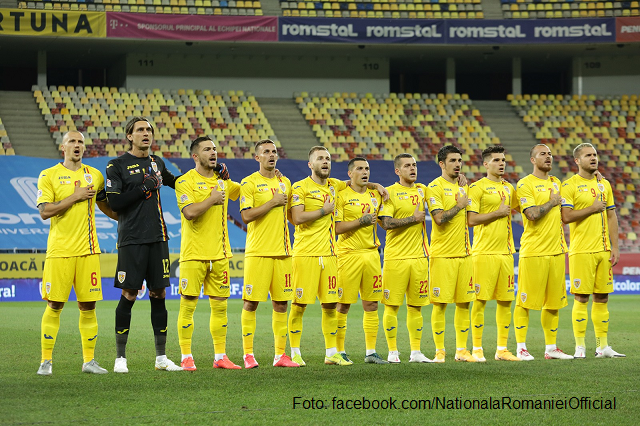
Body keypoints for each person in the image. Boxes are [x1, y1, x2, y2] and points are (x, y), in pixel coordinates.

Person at [288, 146, 387, 366]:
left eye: (328, 159)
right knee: (299, 305)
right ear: (310, 164)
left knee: (330, 305)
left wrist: (376, 185)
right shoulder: (300, 187)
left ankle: (331, 353)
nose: (325, 162)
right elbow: (296, 217)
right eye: (320, 159)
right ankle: (294, 352)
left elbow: (357, 182)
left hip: (330, 255)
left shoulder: (335, 185)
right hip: (306, 254)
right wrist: (324, 211)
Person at [106, 116, 185, 373]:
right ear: (130, 136)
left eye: (149, 129)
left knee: (159, 293)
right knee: (129, 293)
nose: (146, 133)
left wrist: (209, 171)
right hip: (131, 239)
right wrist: (144, 187)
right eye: (140, 130)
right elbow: (115, 203)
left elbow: (178, 182)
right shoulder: (116, 165)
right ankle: (120, 358)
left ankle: (161, 358)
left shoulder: (157, 162)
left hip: (158, 237)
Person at [36, 131, 117, 376]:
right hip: (59, 251)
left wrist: (123, 218)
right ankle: (46, 361)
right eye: (72, 141)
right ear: (63, 147)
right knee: (55, 304)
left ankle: (89, 361)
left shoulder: (95, 175)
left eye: (81, 142)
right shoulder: (48, 175)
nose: (77, 145)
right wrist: (76, 196)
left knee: (88, 305)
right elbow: (45, 211)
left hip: (89, 251)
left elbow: (104, 205)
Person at [175, 136, 241, 370]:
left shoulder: (222, 182)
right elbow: (190, 213)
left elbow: (241, 193)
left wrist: (228, 179)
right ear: (195, 156)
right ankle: (186, 356)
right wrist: (212, 199)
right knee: (188, 305)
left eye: (214, 149)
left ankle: (220, 356)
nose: (213, 153)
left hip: (220, 255)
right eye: (207, 149)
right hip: (193, 255)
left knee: (220, 307)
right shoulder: (185, 182)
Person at [239, 139, 299, 368]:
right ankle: (248, 355)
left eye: (274, 152)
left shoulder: (285, 182)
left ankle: (280, 356)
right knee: (251, 303)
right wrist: (273, 202)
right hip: (258, 252)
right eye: (266, 152)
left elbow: (292, 213)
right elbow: (246, 216)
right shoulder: (249, 183)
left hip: (283, 252)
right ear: (257, 157)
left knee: (281, 304)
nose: (271, 155)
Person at [561, 143, 624, 359]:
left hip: (603, 250)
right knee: (581, 298)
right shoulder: (569, 185)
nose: (593, 158)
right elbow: (566, 217)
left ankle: (602, 347)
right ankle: (580, 347)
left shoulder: (604, 184)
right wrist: (592, 208)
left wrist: (615, 247)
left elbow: (611, 216)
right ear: (577, 160)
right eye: (588, 155)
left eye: (595, 154)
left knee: (602, 298)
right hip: (581, 251)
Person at [514, 144, 573, 361]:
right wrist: (552, 202)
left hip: (557, 251)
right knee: (525, 302)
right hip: (534, 251)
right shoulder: (525, 184)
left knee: (554, 302)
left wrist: (596, 178)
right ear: (532, 159)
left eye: (549, 154)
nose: (548, 157)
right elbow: (531, 214)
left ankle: (551, 348)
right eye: (543, 154)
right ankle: (521, 347)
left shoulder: (557, 182)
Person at [467, 145, 520, 362]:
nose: (501, 163)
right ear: (486, 164)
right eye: (497, 160)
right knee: (480, 301)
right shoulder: (477, 188)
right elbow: (471, 220)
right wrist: (497, 213)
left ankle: (502, 349)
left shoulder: (509, 188)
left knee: (506, 301)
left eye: (503, 160)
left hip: (506, 253)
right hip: (483, 253)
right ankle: (477, 348)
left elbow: (524, 206)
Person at [378, 154, 432, 363]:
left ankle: (416, 352)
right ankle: (393, 352)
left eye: (414, 165)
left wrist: (460, 178)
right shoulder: (390, 193)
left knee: (416, 306)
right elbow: (387, 224)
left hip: (419, 257)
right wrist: (413, 219)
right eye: (407, 166)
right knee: (392, 305)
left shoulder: (422, 190)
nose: (412, 169)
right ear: (397, 171)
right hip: (396, 259)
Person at [335, 157, 388, 364]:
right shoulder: (341, 196)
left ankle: (370, 352)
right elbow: (337, 228)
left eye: (367, 168)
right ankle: (338, 351)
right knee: (343, 305)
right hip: (348, 255)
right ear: (350, 174)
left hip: (372, 255)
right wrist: (361, 221)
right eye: (359, 169)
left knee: (372, 304)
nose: (365, 172)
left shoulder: (376, 195)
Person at [426, 145, 475, 363]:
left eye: (459, 161)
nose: (457, 164)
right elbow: (439, 219)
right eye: (453, 161)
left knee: (464, 303)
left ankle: (462, 351)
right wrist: (459, 205)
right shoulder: (434, 187)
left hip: (465, 255)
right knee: (440, 303)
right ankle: (439, 351)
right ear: (442, 164)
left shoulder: (465, 186)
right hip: (443, 255)